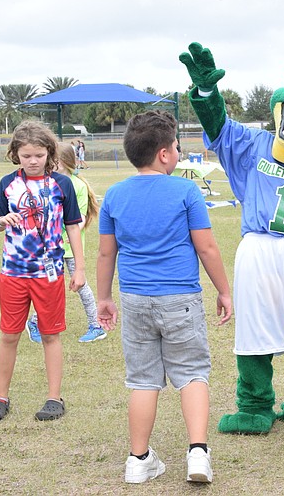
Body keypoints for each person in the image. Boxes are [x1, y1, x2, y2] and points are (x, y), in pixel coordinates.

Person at [96, 110, 233, 484]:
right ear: (164, 154)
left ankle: (138, 459)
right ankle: (198, 453)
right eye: (176, 146)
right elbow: (206, 247)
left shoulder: (115, 195)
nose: (178, 152)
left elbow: (106, 253)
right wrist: (224, 290)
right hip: (180, 298)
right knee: (192, 373)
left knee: (143, 380)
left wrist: (104, 298)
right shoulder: (186, 191)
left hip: (135, 299)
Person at [0, 121, 85, 424]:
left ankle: (54, 398)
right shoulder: (7, 183)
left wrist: (80, 268)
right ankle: (1, 397)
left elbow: (73, 226)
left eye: (39, 155)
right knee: (9, 334)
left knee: (50, 335)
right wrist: (2, 220)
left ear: (49, 153)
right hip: (13, 273)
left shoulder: (62, 184)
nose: (33, 161)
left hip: (49, 274)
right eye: (26, 156)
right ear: (15, 154)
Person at [27, 143, 104, 344]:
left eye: (53, 160)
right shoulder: (48, 183)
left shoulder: (78, 186)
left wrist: (71, 235)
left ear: (63, 162)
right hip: (50, 249)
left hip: (70, 249)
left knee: (81, 286)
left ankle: (96, 325)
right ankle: (34, 322)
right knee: (50, 286)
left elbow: (79, 219)